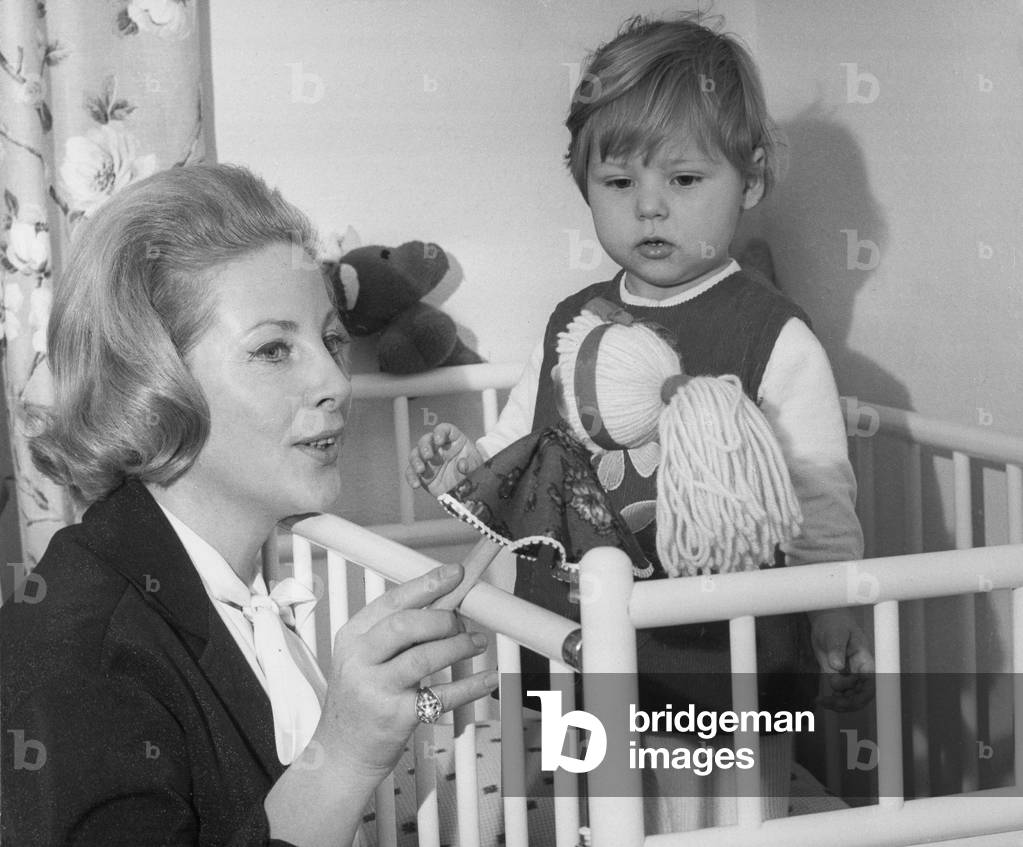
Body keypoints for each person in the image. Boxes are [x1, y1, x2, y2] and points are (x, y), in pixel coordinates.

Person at [408, 14, 873, 830]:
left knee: (714, 824)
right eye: (619, 184)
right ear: (581, 182)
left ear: (750, 179)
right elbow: (525, 440)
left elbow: (816, 491)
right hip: (571, 648)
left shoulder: (769, 333)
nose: (650, 207)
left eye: (685, 181)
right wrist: (463, 462)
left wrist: (835, 610)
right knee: (586, 816)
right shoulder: (569, 322)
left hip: (711, 666)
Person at [0, 163, 498, 847]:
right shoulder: (81, 645)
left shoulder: (231, 591)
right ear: (150, 382)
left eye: (329, 341)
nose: (333, 380)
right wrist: (346, 756)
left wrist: (415, 712)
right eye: (272, 349)